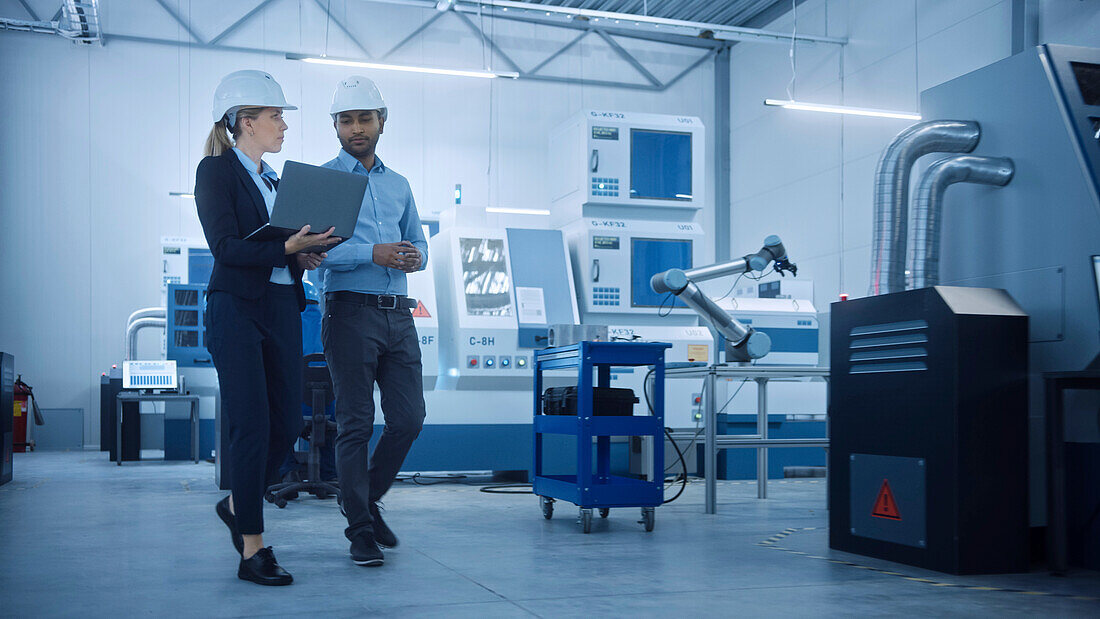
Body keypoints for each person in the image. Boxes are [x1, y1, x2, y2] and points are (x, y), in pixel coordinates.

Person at [195, 69, 338, 586]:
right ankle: (253, 548)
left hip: (281, 305)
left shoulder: (274, 180)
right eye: (276, 116)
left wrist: (305, 254)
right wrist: (286, 248)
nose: (283, 125)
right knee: (252, 424)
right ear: (245, 121)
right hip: (236, 307)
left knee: (286, 423)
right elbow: (227, 248)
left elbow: (277, 248)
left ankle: (237, 502)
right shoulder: (216, 172)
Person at [316, 75, 428, 567]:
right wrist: (373, 253)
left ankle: (361, 497)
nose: (356, 127)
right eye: (346, 120)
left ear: (382, 122)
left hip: (398, 315)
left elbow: (419, 244)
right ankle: (360, 527)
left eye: (364, 118)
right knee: (356, 423)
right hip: (348, 312)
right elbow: (313, 250)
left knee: (409, 419)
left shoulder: (399, 184)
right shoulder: (323, 181)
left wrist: (412, 259)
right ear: (335, 127)